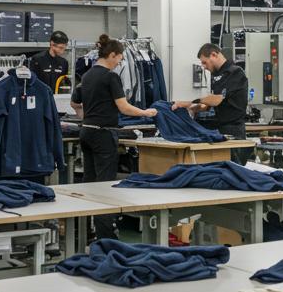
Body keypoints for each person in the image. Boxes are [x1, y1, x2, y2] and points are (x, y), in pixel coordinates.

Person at [72, 34, 158, 239]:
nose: (120, 62)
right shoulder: (110, 77)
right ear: (112, 55)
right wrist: (146, 113)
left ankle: (88, 232)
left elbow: (75, 104)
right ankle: (106, 236)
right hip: (103, 134)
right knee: (104, 186)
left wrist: (87, 117)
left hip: (87, 131)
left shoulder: (87, 76)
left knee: (90, 183)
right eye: (119, 58)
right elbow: (123, 107)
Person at [171, 43, 251, 164]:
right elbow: (208, 105)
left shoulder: (235, 73)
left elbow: (217, 99)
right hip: (219, 129)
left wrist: (188, 102)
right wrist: (191, 108)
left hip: (233, 130)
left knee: (233, 168)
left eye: (205, 62)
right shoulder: (216, 75)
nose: (204, 67)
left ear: (214, 55)